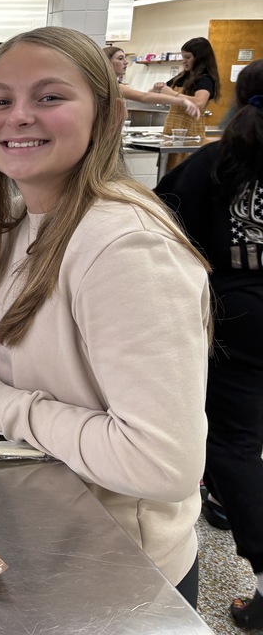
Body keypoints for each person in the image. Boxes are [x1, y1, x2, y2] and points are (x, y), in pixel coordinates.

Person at [0, 26, 211, 606]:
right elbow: (13, 321)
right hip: (48, 534)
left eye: (49, 96)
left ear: (108, 116)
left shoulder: (127, 249)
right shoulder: (22, 220)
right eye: (0, 100)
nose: (19, 116)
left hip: (121, 574)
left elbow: (162, 463)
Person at [155, 59, 263, 629]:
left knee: (231, 443)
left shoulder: (216, 163)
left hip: (239, 322)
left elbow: (158, 227)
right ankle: (223, 498)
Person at [152, 37, 221, 170]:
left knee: (184, 171)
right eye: (183, 57)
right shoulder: (181, 77)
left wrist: (171, 94)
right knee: (168, 171)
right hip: (172, 134)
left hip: (190, 135)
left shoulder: (205, 80)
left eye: (188, 57)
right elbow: (154, 94)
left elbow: (199, 103)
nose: (184, 60)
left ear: (200, 58)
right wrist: (156, 88)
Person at [103, 46, 202, 119]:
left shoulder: (111, 82)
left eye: (125, 58)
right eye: (120, 58)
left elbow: (146, 96)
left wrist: (155, 90)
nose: (126, 62)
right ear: (107, 62)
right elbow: (144, 97)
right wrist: (182, 101)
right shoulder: (111, 85)